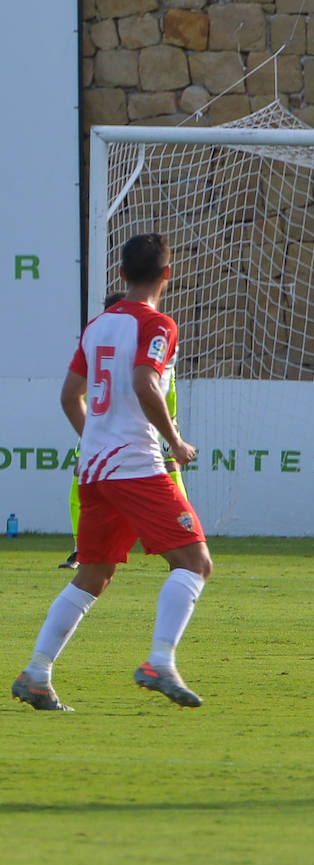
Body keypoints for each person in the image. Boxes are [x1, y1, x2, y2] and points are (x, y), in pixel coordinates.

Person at [11, 233, 212, 711]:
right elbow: (145, 382)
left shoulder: (97, 325)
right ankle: (159, 661)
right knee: (195, 562)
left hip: (96, 471)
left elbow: (69, 396)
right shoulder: (159, 323)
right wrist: (175, 441)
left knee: (93, 575)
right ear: (168, 274)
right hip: (136, 465)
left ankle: (37, 674)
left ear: (121, 275)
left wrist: (96, 440)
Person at [58, 292, 189, 570]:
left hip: (126, 427)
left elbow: (71, 395)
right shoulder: (133, 339)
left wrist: (170, 427)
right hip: (108, 425)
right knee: (81, 485)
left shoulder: (118, 339)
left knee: (168, 477)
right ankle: (82, 547)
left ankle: (180, 542)